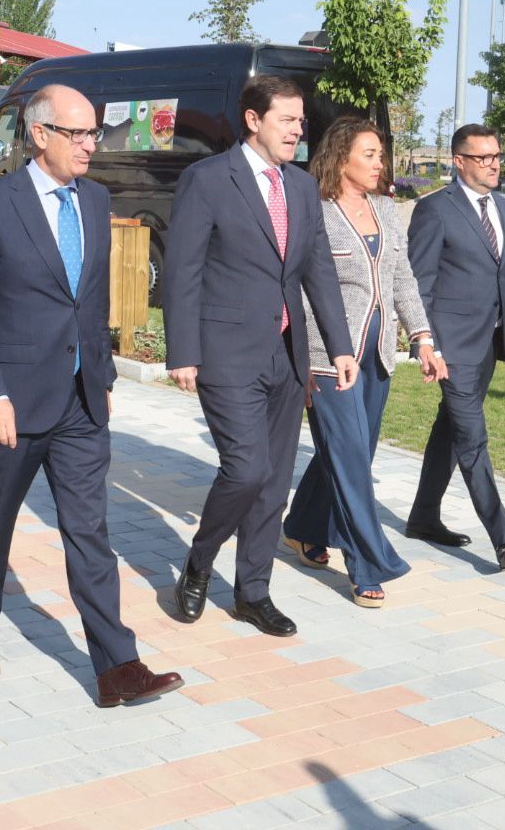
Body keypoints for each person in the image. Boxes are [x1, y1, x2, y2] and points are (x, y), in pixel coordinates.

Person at [0, 84, 184, 708]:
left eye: (93, 134)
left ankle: (117, 667)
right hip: (11, 400)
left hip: (80, 401)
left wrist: (101, 379)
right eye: (78, 134)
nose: (90, 145)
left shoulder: (97, 200)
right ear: (40, 135)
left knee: (90, 533)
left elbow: (92, 303)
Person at [164, 75, 357, 637]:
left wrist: (339, 347)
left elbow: (318, 270)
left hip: (287, 355)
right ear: (254, 121)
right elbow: (183, 270)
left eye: (301, 121)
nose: (299, 130)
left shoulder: (300, 187)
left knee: (273, 482)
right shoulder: (208, 180)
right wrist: (183, 351)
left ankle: (253, 593)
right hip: (226, 352)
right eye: (288, 120)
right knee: (244, 470)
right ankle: (200, 563)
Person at [281, 118, 445, 608]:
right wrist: (315, 352)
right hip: (329, 356)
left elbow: (403, 280)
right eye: (370, 154)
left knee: (354, 451)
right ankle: (368, 563)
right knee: (351, 455)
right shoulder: (316, 210)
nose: (380, 163)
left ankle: (303, 524)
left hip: (378, 355)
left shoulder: (387, 210)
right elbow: (303, 287)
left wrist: (423, 338)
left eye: (380, 155)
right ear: (341, 157)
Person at [405, 123, 505, 571]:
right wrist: (425, 343)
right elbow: (418, 286)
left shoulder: (503, 209)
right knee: (472, 439)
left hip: (489, 345)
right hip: (452, 348)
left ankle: (423, 517)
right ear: (459, 161)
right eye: (483, 157)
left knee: (450, 429)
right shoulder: (436, 211)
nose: (494, 164)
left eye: (498, 156)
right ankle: (504, 539)